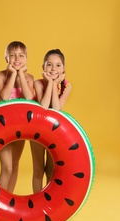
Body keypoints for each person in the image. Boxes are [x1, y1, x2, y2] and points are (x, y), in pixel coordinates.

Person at [0, 41, 34, 193]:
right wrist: (13, 74)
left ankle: (8, 199)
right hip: (2, 126)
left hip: (20, 126)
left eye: (21, 56)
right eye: (12, 55)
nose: (17, 59)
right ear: (6, 58)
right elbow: (4, 97)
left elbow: (29, 98)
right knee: (7, 167)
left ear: (26, 59)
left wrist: (21, 75)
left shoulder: (29, 77)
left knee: (15, 166)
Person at [30, 49, 72, 193]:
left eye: (58, 65)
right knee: (38, 170)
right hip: (36, 129)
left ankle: (47, 202)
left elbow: (56, 108)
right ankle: (36, 202)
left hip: (54, 131)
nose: (53, 68)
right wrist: (50, 83)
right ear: (43, 67)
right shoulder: (38, 83)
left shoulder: (67, 86)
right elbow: (43, 107)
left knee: (50, 169)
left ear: (63, 68)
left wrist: (55, 84)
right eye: (49, 65)